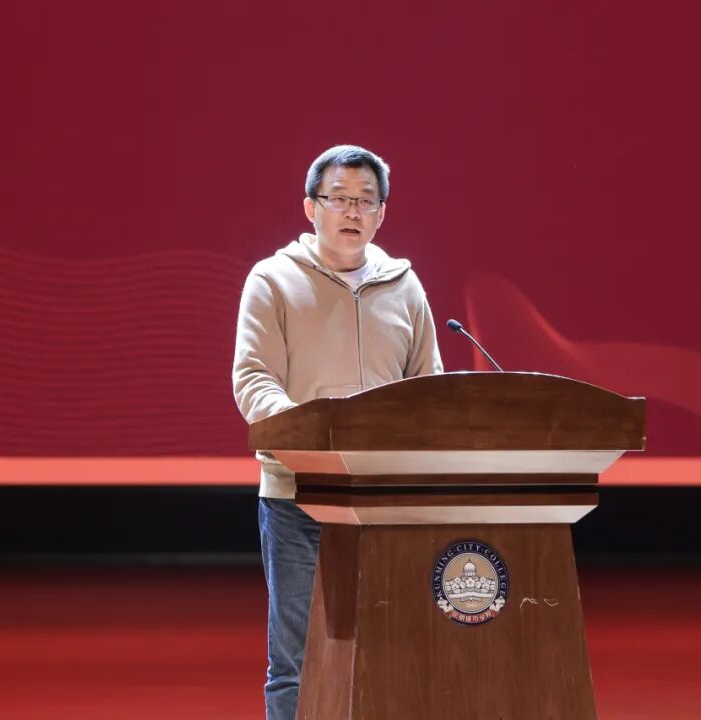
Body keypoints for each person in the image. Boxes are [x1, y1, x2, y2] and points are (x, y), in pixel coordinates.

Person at [232, 144, 443, 719]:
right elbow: (253, 378)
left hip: (386, 501)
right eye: (339, 198)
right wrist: (309, 438)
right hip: (299, 496)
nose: (353, 211)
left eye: (365, 201)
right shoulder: (273, 280)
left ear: (382, 214)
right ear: (311, 207)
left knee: (393, 650)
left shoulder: (405, 286)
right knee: (298, 663)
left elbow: (429, 386)